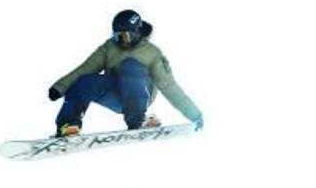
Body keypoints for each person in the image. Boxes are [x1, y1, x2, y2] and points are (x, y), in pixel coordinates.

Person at [48, 10, 204, 137]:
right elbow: (85, 68)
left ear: (136, 32)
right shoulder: (110, 47)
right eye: (115, 35)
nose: (119, 40)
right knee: (86, 80)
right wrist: (59, 87)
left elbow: (170, 87)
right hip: (117, 95)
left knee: (131, 66)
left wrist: (194, 115)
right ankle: (69, 125)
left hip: (140, 97)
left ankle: (140, 118)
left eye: (124, 36)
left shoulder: (152, 53)